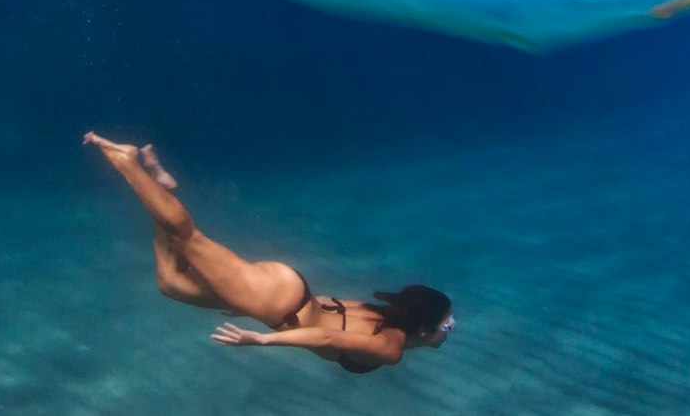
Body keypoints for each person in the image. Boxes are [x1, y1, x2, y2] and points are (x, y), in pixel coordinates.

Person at [83, 132, 455, 373]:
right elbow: (330, 339)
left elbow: (331, 313)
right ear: (422, 327)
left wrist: (246, 301)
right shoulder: (391, 347)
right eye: (447, 326)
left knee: (171, 283)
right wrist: (262, 339)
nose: (450, 331)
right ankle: (126, 162)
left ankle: (164, 187)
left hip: (285, 294)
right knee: (188, 237)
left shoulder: (389, 320)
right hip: (278, 304)